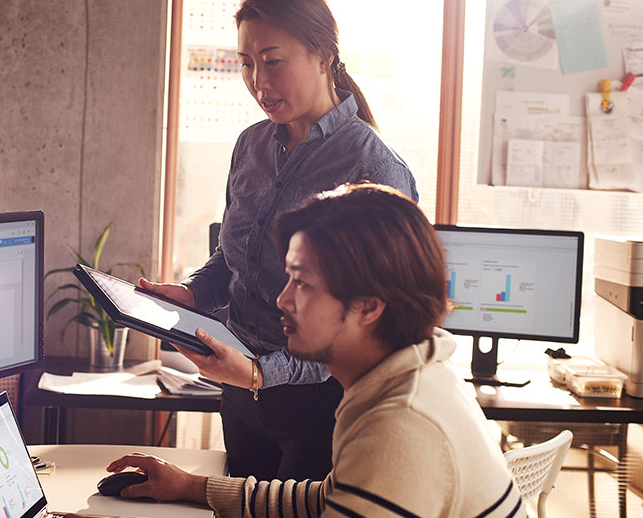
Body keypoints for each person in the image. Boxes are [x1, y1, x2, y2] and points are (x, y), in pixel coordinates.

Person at [107, 184, 525, 518]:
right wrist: (188, 486)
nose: (282, 301)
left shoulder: (400, 423)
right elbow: (325, 501)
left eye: (302, 283)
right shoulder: (412, 373)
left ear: (369, 306)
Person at [140, 0, 417, 480]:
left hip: (320, 405)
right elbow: (234, 255)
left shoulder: (373, 168)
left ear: (323, 55)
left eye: (273, 60)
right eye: (247, 63)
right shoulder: (251, 146)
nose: (258, 81)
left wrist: (262, 373)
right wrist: (191, 293)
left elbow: (370, 329)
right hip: (242, 394)